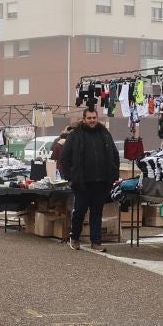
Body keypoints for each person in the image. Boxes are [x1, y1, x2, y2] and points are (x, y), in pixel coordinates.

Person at [57, 107, 120, 252]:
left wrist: (113, 175)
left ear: (97, 118)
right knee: (79, 210)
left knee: (97, 212)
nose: (92, 121)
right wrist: (70, 178)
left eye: (94, 118)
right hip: (81, 182)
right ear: (84, 119)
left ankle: (96, 242)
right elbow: (65, 158)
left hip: (102, 181)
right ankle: (74, 238)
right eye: (89, 118)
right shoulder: (75, 135)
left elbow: (114, 154)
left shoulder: (104, 134)